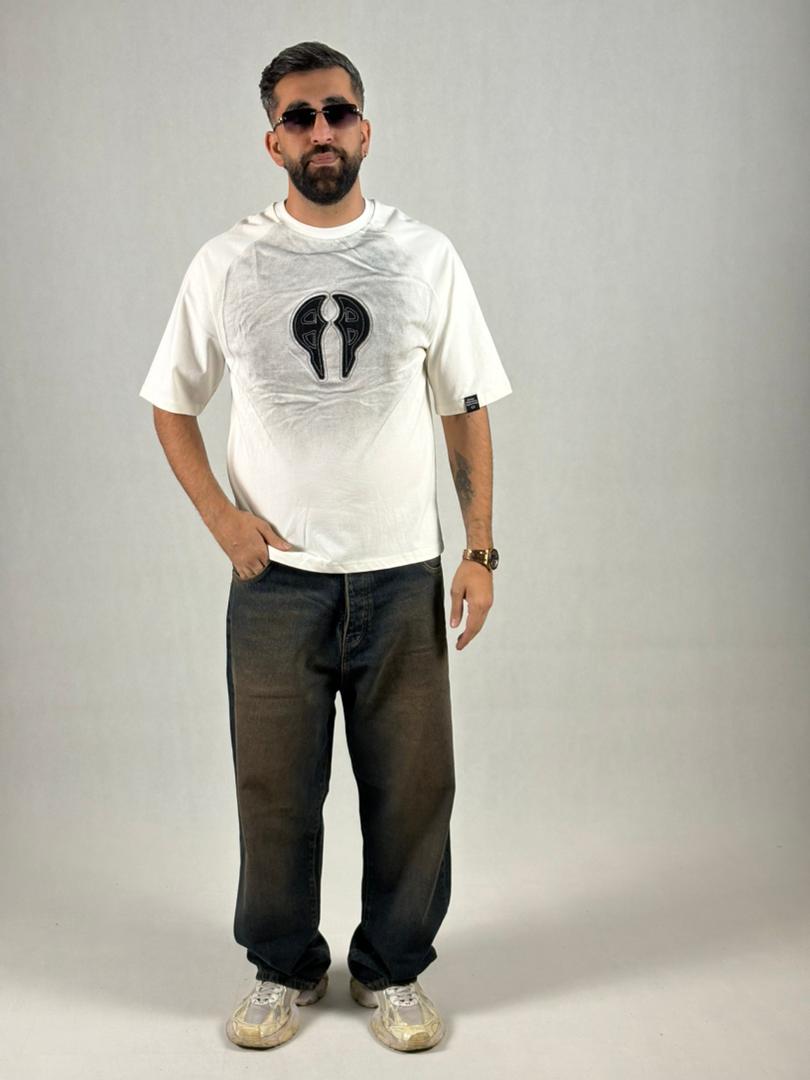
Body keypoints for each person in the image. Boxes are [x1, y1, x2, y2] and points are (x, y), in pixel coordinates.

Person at [139, 40, 512, 1054]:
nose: (321, 132)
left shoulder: (423, 256)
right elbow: (171, 402)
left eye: (337, 112)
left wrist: (479, 550)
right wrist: (223, 521)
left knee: (414, 791)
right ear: (274, 143)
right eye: (298, 118)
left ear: (365, 129)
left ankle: (393, 968)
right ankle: (283, 966)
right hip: (277, 585)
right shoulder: (228, 263)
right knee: (274, 793)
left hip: (400, 573)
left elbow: (466, 405)